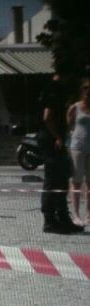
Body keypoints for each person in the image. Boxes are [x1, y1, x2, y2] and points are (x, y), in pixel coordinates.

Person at [39, 74, 84, 234]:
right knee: (53, 181)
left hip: (58, 141)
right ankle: (50, 221)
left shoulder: (60, 89)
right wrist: (57, 137)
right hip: (51, 141)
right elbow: (47, 117)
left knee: (62, 180)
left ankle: (63, 218)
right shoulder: (53, 89)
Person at [66, 77, 90, 225]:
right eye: (85, 88)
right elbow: (68, 125)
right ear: (81, 90)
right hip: (78, 147)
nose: (88, 91)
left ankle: (89, 214)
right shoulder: (75, 107)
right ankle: (76, 214)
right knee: (76, 181)